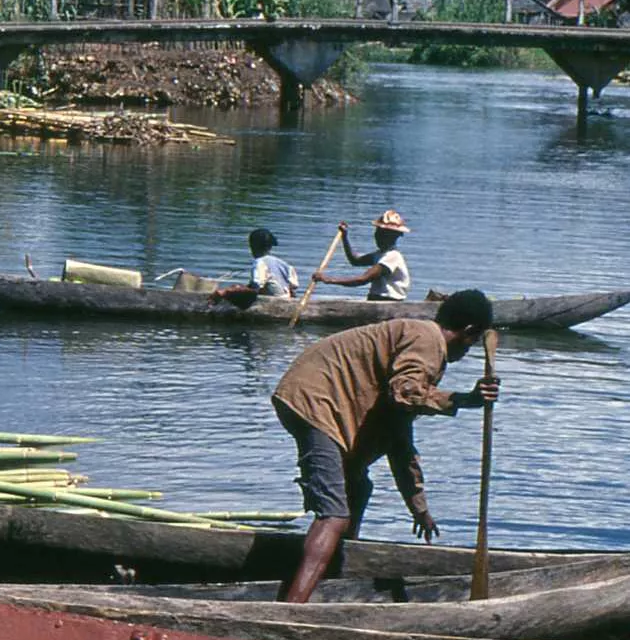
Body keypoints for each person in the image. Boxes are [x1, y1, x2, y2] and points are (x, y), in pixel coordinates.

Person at [270, 289, 497, 603]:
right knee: (333, 514)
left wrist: (419, 509)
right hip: (317, 402)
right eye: (472, 344)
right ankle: (291, 610)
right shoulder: (427, 340)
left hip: (312, 398)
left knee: (358, 488)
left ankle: (331, 575)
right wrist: (461, 399)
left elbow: (400, 442)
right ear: (470, 334)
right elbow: (404, 391)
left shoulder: (416, 342)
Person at [313, 210, 411, 300]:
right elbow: (355, 261)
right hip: (376, 300)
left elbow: (363, 279)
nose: (378, 236)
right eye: (378, 232)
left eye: (385, 234)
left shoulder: (392, 257)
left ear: (395, 236)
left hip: (388, 302)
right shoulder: (380, 255)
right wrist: (344, 237)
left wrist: (328, 279)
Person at [210, 227, 298, 304]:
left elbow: (254, 290)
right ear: (270, 247)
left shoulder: (260, 262)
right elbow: (293, 289)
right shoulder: (283, 264)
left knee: (235, 288)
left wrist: (226, 292)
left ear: (252, 245)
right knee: (239, 287)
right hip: (286, 300)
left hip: (274, 302)